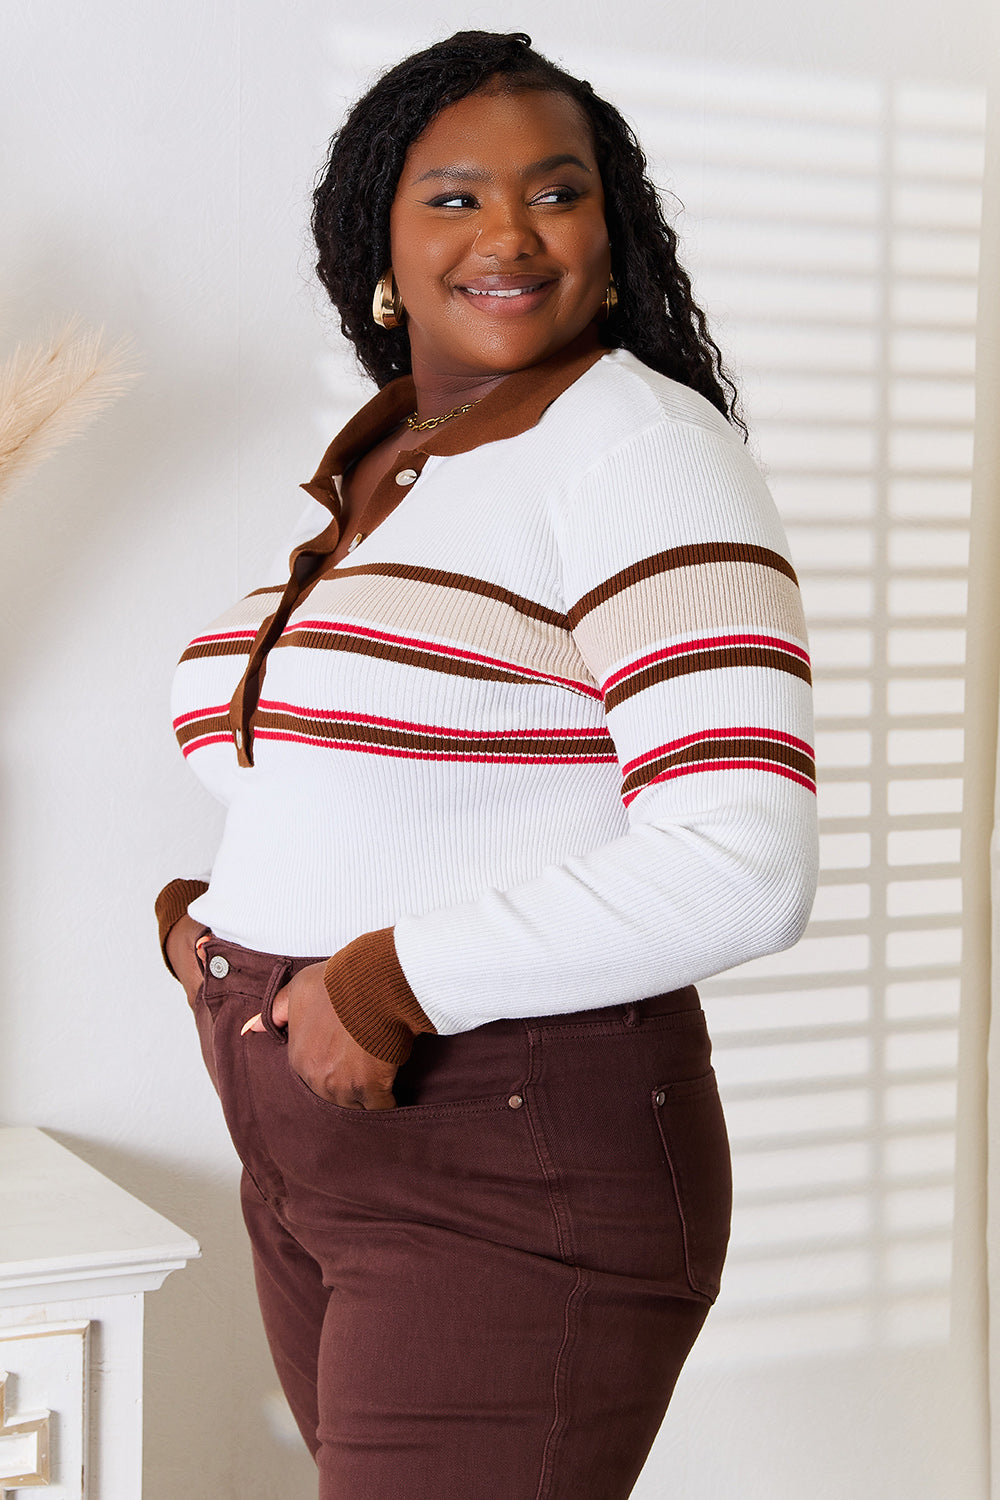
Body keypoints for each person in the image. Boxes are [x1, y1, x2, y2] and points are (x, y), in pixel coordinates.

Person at [157, 30, 817, 1500]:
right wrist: (224, 924)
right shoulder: (403, 458)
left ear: (615, 231)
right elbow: (384, 752)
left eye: (556, 192)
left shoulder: (638, 451)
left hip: (504, 1152)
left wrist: (380, 981)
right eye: (453, 198)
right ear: (378, 246)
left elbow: (746, 862)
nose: (509, 234)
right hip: (318, 1138)